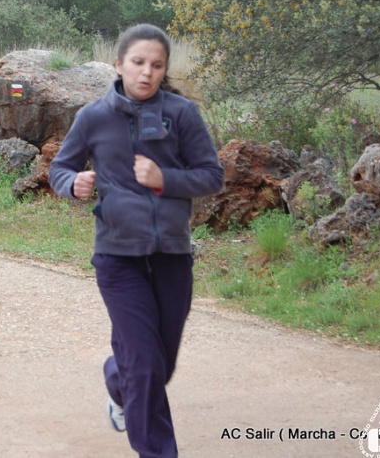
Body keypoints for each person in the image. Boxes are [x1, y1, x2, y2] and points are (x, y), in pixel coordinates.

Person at [49, 24, 225, 457]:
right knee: (145, 366)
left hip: (172, 255)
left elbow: (212, 176)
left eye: (157, 65)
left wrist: (165, 179)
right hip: (117, 257)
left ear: (164, 70)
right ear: (119, 64)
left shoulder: (181, 114)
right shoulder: (92, 117)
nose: (147, 73)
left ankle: (117, 380)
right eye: (138, 62)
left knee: (157, 367)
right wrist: (74, 183)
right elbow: (59, 169)